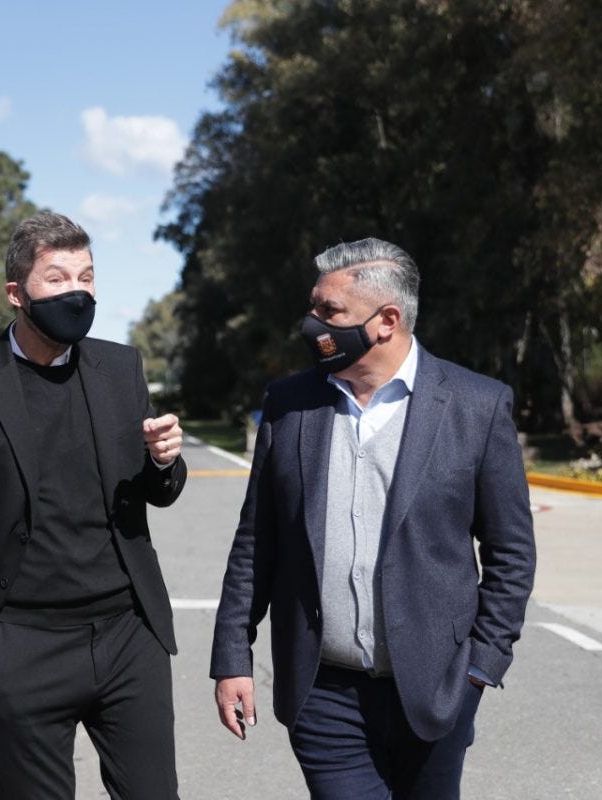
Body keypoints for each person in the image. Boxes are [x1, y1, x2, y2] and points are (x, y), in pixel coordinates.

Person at [211, 238, 536, 799]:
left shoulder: (476, 406)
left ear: (386, 320)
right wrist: (232, 656)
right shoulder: (289, 405)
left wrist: (481, 666)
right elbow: (256, 542)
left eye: (328, 312)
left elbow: (511, 553)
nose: (311, 324)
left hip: (437, 690)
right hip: (323, 694)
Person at [0, 212, 187, 799]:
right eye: (57, 278)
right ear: (16, 294)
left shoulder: (121, 368)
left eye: (86, 277)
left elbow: (154, 491)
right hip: (20, 644)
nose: (77, 292)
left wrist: (164, 461)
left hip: (127, 636)